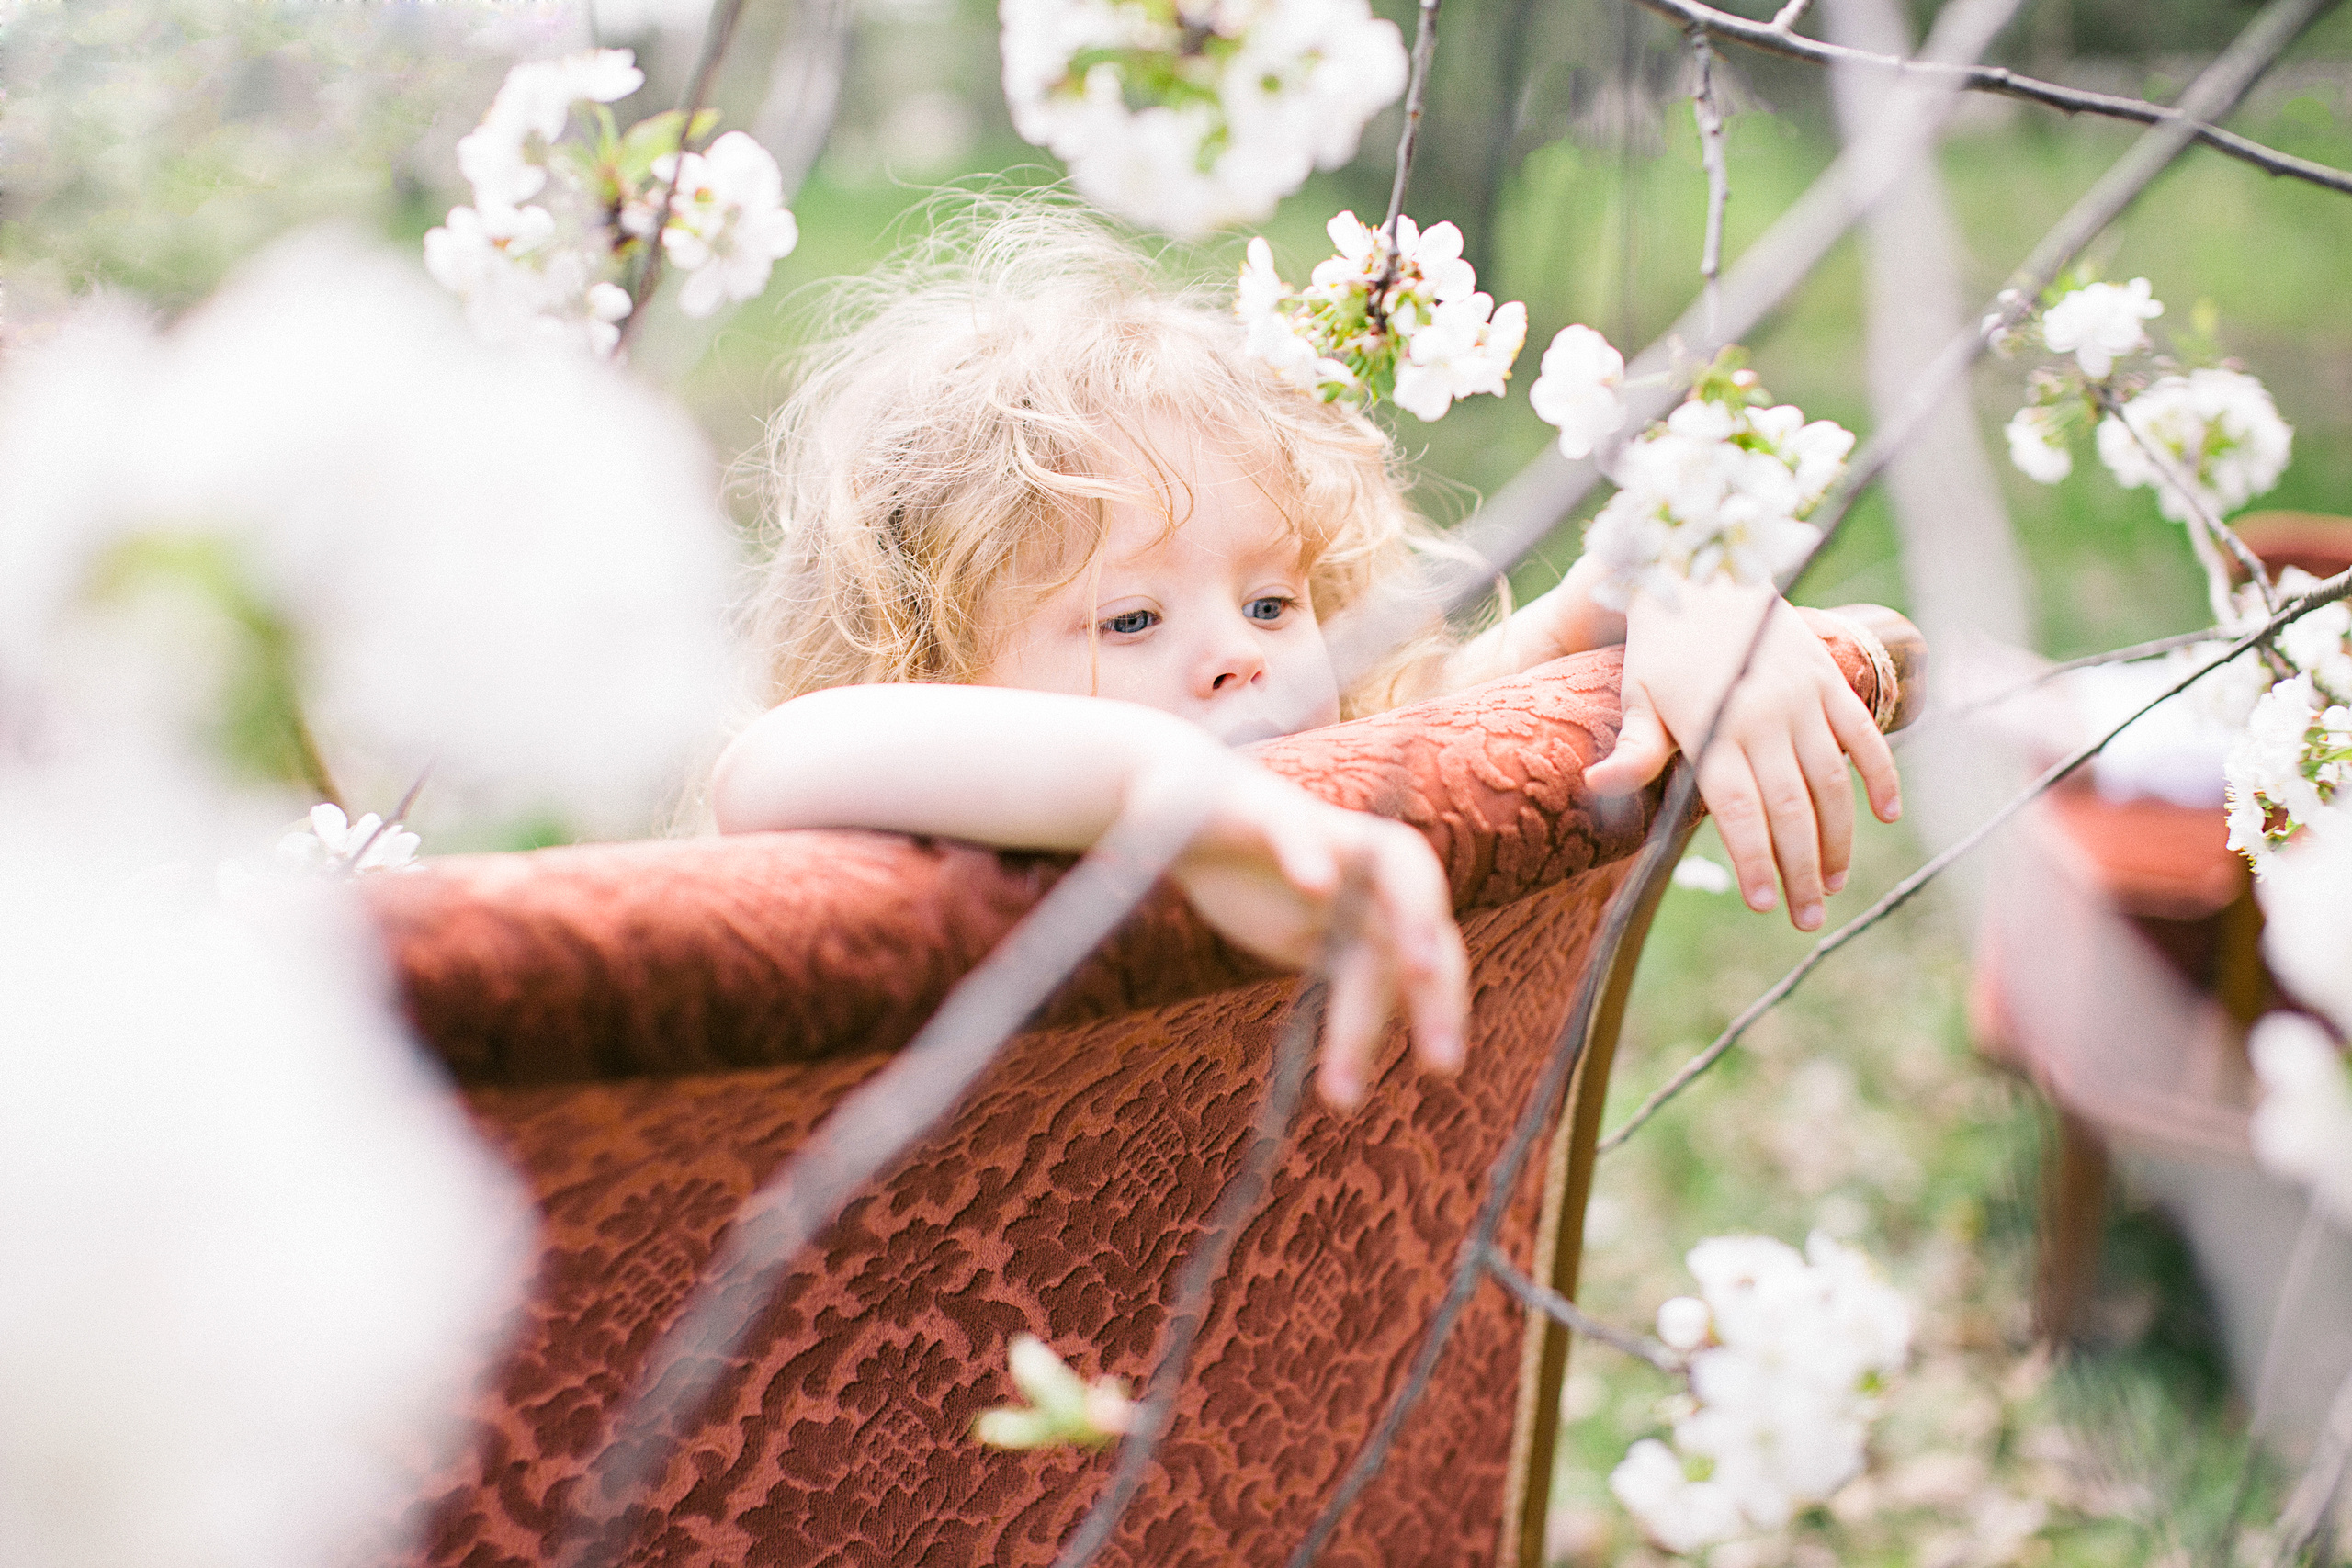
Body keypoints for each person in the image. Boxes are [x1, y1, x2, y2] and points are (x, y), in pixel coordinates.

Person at [712, 209, 1901, 1110]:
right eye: (1131, 621)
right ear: (930, 666)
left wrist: (1694, 590)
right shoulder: (899, 839)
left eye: (1274, 601)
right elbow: (772, 762)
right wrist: (1171, 795)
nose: (1239, 656)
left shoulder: (1330, 811)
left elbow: (1540, 653)